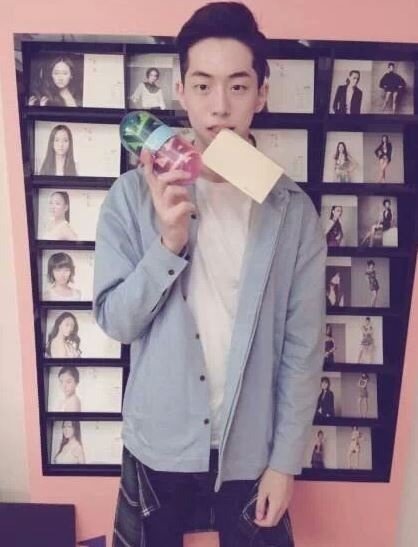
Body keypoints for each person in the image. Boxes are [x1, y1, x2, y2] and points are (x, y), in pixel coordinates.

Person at [93, 3, 326, 546]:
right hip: (158, 441)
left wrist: (284, 464)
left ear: (261, 93)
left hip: (251, 449)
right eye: (202, 86)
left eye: (238, 87)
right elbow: (115, 322)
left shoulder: (292, 211)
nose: (219, 106)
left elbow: (303, 346)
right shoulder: (131, 196)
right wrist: (168, 243)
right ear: (180, 89)